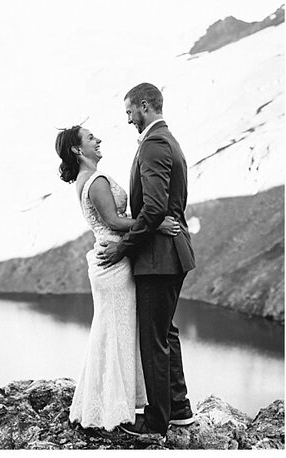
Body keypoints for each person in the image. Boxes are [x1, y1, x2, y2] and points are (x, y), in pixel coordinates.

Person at [56, 119, 186, 436]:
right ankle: (110, 407)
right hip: (113, 261)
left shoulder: (89, 177)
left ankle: (113, 402)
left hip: (115, 259)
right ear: (77, 148)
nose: (97, 139)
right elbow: (114, 221)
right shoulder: (95, 180)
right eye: (90, 137)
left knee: (116, 330)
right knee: (115, 331)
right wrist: (156, 224)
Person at [94, 84, 195, 441]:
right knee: (166, 332)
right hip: (172, 252)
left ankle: (155, 423)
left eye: (130, 112)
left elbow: (153, 208)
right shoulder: (169, 141)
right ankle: (179, 410)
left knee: (153, 341)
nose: (128, 119)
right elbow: (164, 206)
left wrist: (122, 249)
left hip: (158, 258)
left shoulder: (153, 145)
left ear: (145, 106)